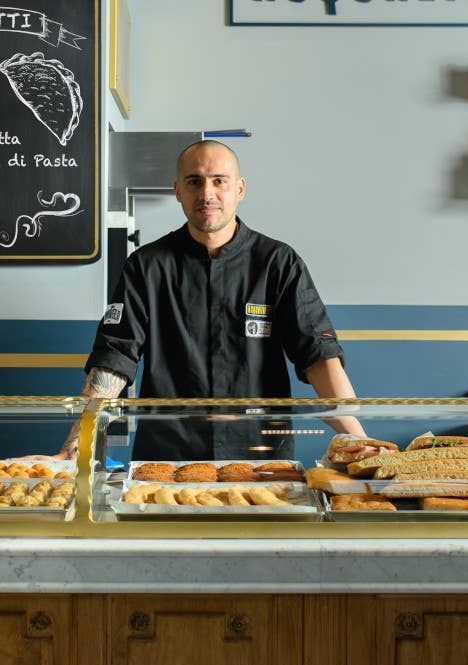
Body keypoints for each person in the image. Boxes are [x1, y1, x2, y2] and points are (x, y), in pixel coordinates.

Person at [56, 139, 364, 460]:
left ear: (240, 189)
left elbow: (318, 357)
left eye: (219, 181)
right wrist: (73, 451)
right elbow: (114, 360)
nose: (207, 194)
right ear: (178, 190)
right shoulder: (146, 266)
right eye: (194, 182)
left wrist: (362, 441)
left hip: (260, 459)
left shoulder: (278, 262)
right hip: (166, 460)